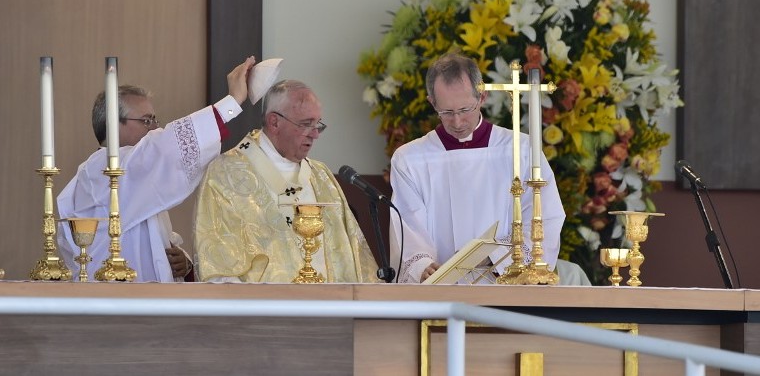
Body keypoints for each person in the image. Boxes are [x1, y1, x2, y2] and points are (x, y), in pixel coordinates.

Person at [57, 56, 256, 282]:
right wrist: (231, 102)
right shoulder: (103, 169)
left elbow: (152, 240)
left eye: (155, 120)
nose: (155, 128)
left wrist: (182, 261)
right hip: (114, 295)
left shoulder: (136, 173)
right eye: (146, 120)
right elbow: (164, 148)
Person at [389, 53, 566, 283]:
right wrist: (421, 266)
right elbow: (407, 226)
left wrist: (496, 260)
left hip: (505, 286)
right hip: (441, 290)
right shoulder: (410, 159)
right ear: (432, 102)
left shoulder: (521, 150)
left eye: (464, 110)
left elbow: (544, 218)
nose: (457, 122)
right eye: (447, 112)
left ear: (483, 97)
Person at [193, 79, 379, 283]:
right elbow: (219, 265)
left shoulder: (321, 175)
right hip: (265, 311)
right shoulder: (226, 173)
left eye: (318, 124)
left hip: (331, 309)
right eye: (306, 124)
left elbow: (357, 258)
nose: (315, 134)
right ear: (274, 122)